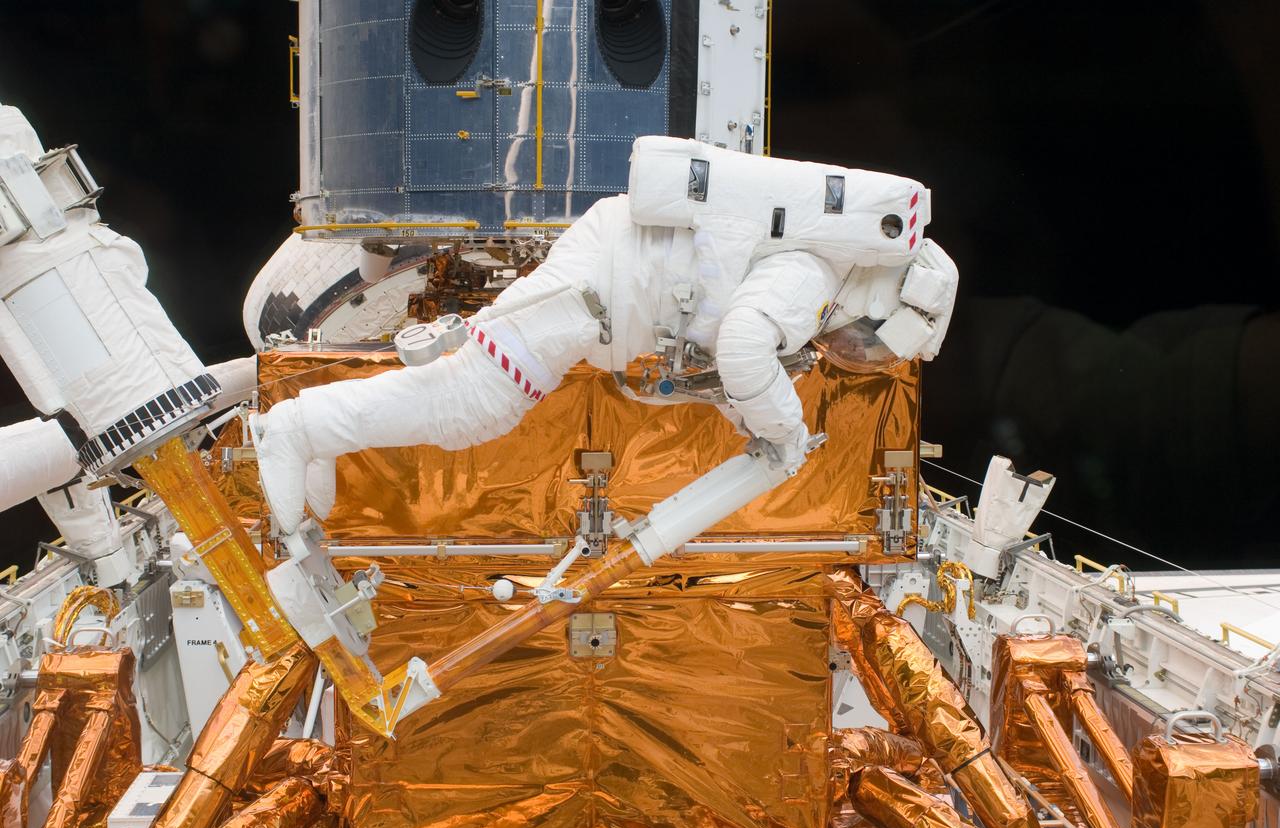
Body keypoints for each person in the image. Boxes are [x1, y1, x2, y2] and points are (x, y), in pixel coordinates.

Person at [253, 141, 959, 534]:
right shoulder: (814, 277)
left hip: (599, 284)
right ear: (881, 302)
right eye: (871, 343)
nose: (855, 354)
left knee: (470, 399)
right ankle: (297, 428)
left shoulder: (814, 279)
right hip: (592, 292)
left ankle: (322, 432)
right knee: (472, 405)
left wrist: (756, 421)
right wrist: (785, 426)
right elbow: (743, 343)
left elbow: (723, 364)